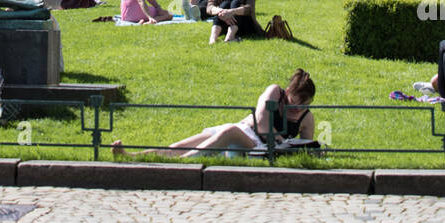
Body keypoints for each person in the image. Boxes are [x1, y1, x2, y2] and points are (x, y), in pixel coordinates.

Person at [112, 70, 316, 158]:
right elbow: (261, 122)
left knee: (229, 130)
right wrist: (283, 139)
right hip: (251, 131)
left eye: (305, 104)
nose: (299, 108)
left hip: (263, 146)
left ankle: (185, 164)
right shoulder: (275, 92)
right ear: (288, 92)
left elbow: (306, 148)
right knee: (181, 145)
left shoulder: (307, 118)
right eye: (296, 103)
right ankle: (133, 157)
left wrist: (292, 148)